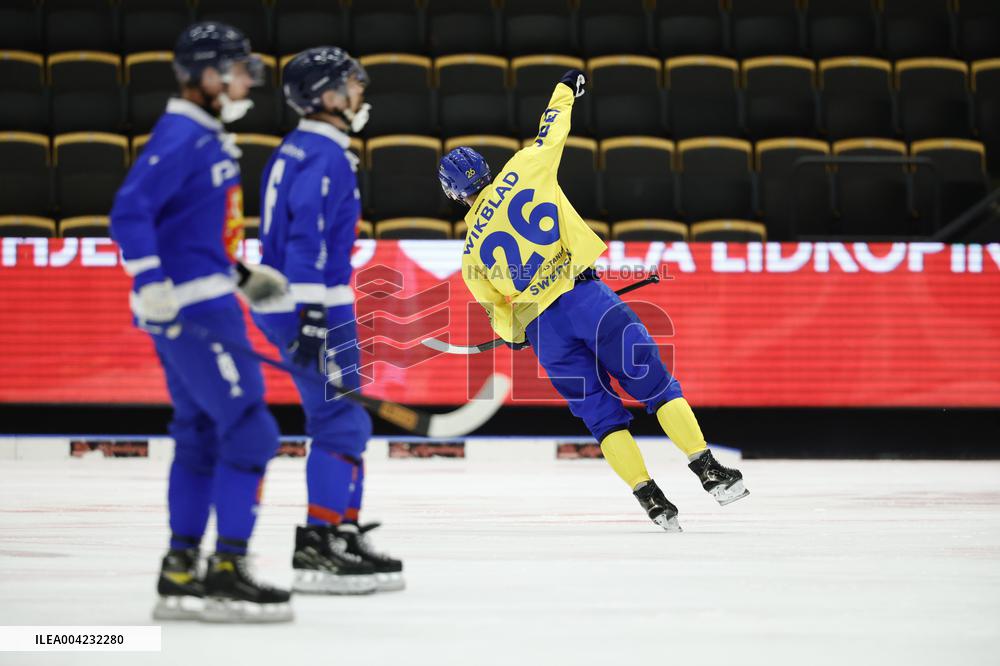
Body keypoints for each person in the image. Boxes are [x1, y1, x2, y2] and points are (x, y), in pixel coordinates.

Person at [439, 70, 749, 532]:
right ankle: (709, 472)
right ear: (486, 169)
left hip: (546, 332)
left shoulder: (468, 256)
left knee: (602, 418)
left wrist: (516, 337)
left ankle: (652, 501)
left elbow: (501, 317)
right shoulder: (525, 165)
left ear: (453, 194)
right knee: (656, 385)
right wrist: (565, 89)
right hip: (588, 299)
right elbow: (554, 128)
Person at [110, 22, 293, 621]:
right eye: (238, 69)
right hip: (193, 310)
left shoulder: (207, 133)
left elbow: (190, 231)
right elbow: (129, 211)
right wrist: (149, 282)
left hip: (208, 296)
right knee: (251, 430)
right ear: (209, 74)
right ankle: (225, 569)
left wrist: (243, 277)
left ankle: (181, 568)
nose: (246, 80)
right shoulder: (184, 132)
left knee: (202, 434)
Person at [251, 46, 403, 594]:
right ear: (326, 95)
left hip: (305, 299)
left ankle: (340, 528)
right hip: (309, 301)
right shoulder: (325, 154)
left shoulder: (304, 147)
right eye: (352, 84)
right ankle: (320, 542)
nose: (360, 93)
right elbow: (306, 241)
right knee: (342, 423)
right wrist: (313, 313)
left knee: (349, 422)